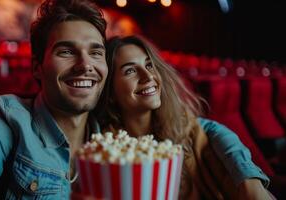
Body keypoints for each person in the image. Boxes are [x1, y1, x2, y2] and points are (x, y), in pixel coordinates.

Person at [0, 0, 269, 199]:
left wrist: (248, 181)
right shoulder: (8, 122)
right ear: (37, 67)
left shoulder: (115, 133)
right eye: (66, 51)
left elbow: (203, 127)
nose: (85, 65)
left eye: (95, 52)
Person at [95, 35, 273, 199]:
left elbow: (216, 132)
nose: (148, 76)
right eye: (130, 71)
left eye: (149, 65)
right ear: (110, 92)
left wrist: (248, 176)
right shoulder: (102, 153)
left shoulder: (190, 131)